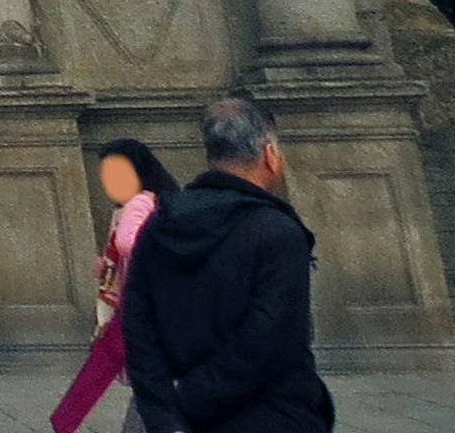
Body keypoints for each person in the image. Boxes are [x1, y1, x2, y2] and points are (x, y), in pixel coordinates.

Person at [121, 95, 331, 433]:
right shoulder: (277, 231)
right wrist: (191, 398)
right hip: (271, 414)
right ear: (270, 154)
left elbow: (137, 324)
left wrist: (164, 411)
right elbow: (270, 338)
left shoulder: (161, 224)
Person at [54, 140, 169, 432]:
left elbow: (126, 242)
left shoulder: (139, 202)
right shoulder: (159, 201)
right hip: (148, 301)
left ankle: (65, 422)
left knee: (108, 365)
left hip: (137, 304)